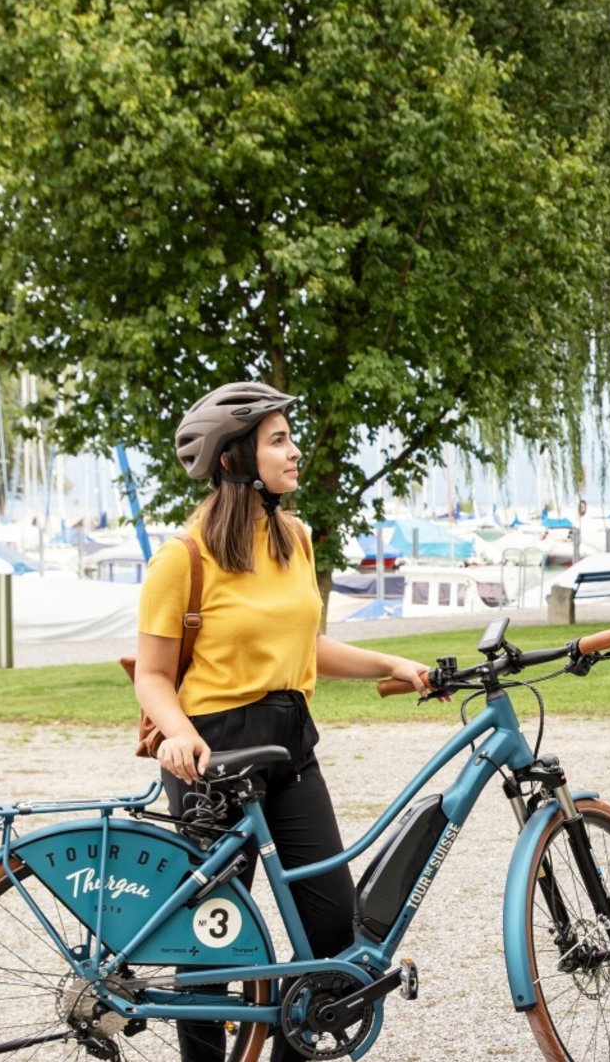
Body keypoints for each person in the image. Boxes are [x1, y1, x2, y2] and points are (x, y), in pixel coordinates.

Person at [132, 381, 430, 1061]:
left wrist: (391, 660)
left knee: (329, 931)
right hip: (211, 760)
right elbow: (152, 675)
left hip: (292, 748)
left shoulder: (295, 537)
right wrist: (179, 733)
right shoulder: (184, 558)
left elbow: (306, 647)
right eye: (278, 441)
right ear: (236, 459)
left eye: (289, 438)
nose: (295, 452)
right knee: (211, 939)